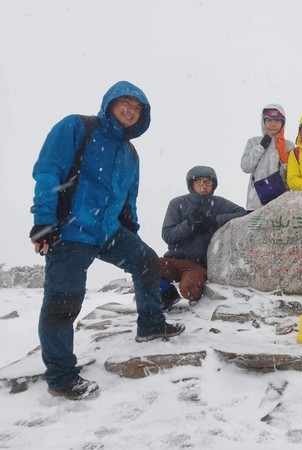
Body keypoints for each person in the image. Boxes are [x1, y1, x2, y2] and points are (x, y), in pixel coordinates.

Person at [29, 81, 185, 400]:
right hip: (71, 230)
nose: (130, 109)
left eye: (137, 106)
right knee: (64, 303)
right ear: (110, 104)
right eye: (124, 102)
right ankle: (60, 376)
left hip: (109, 232)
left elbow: (129, 195)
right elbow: (48, 171)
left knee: (146, 262)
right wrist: (44, 220)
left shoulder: (130, 152)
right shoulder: (78, 127)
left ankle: (151, 324)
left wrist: (131, 226)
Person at [159, 166, 246, 308]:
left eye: (208, 183)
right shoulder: (177, 204)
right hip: (173, 260)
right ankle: (167, 295)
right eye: (199, 182)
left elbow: (241, 212)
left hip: (197, 264)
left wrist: (213, 221)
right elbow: (168, 236)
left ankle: (189, 291)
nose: (204, 186)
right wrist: (189, 224)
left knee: (191, 289)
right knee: (145, 266)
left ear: (213, 185)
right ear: (191, 184)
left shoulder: (219, 203)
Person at [241, 104, 295, 211]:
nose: (273, 124)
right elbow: (246, 167)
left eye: (277, 120)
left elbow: (291, 177)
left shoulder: (289, 145)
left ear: (283, 123)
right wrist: (260, 147)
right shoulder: (253, 142)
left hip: (281, 200)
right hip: (256, 201)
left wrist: (283, 156)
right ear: (263, 121)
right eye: (269, 120)